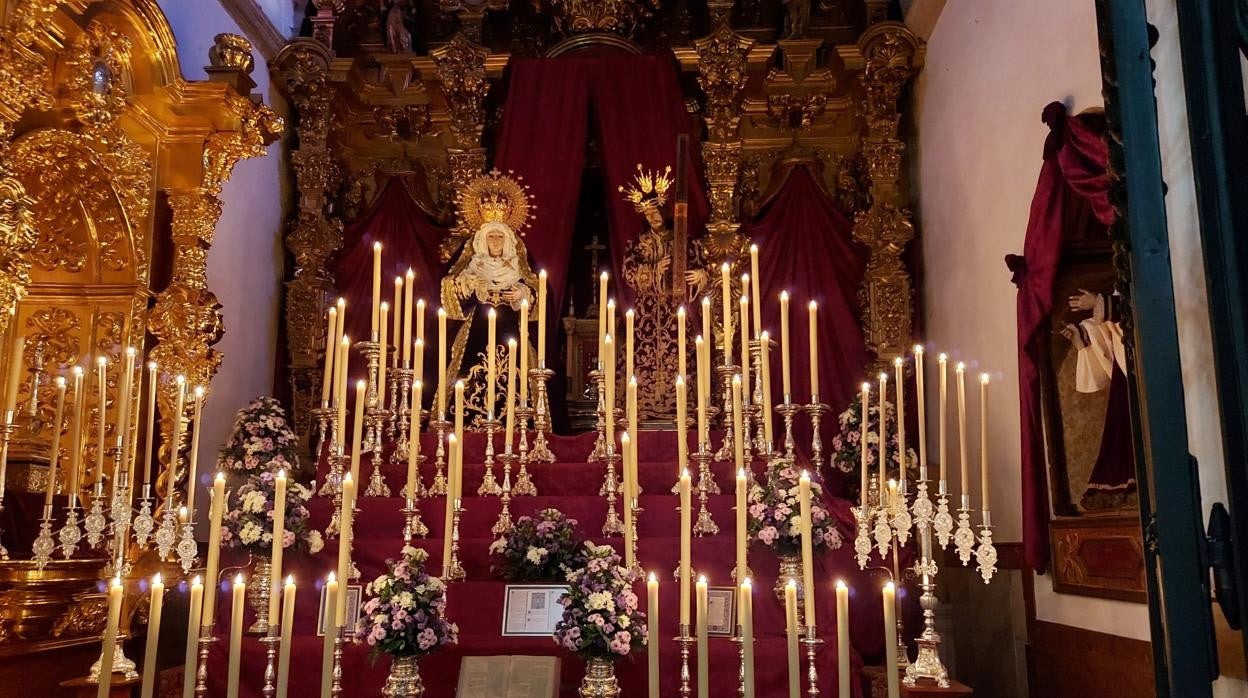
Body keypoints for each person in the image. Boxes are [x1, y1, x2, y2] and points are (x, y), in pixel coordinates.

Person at [441, 220, 537, 422]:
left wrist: (522, 293)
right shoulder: (473, 265)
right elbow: (449, 286)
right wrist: (469, 284)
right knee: (471, 373)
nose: (495, 241)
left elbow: (540, 290)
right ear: (483, 240)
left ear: (508, 241)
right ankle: (466, 422)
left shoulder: (518, 266)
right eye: (491, 236)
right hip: (477, 329)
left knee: (515, 376)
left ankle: (515, 422)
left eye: (500, 236)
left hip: (511, 330)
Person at [1061, 288, 1136, 508]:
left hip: (1144, 371)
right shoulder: (1124, 279)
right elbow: (1112, 330)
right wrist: (1082, 336)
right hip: (1126, 372)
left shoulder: (1149, 269)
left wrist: (1099, 303)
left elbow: (1139, 310)